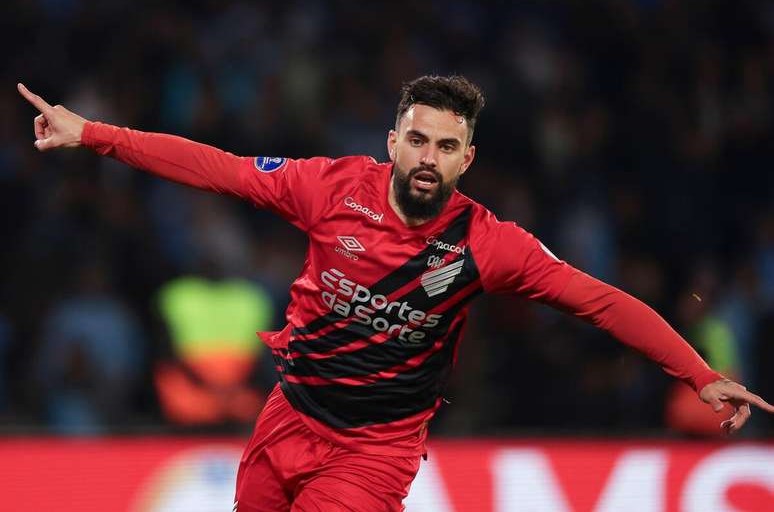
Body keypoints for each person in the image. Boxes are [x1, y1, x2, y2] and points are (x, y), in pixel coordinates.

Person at [17, 76, 774, 511]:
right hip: (286, 416)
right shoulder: (327, 187)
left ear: (467, 160)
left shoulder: (489, 244)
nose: (428, 158)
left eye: (447, 147)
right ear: (392, 140)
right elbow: (219, 166)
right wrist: (96, 135)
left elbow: (601, 300)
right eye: (418, 139)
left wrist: (698, 372)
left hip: (374, 449)